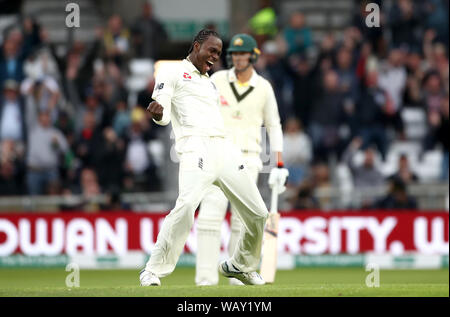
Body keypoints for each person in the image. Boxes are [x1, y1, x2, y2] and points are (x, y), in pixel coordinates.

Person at [140, 29, 281, 287]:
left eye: (218, 52)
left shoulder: (209, 82)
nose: (215, 57)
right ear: (196, 46)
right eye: (211, 51)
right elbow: (164, 113)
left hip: (224, 148)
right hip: (196, 148)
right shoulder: (171, 72)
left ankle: (241, 265)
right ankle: (152, 270)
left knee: (258, 213)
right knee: (186, 207)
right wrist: (158, 114)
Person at [194, 33, 287, 286]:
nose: (238, 58)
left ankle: (238, 277)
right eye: (234, 54)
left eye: (243, 53)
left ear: (253, 56)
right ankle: (205, 281)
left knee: (242, 220)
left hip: (249, 159)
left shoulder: (264, 87)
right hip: (217, 155)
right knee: (209, 217)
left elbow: (274, 126)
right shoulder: (217, 80)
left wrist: (278, 164)